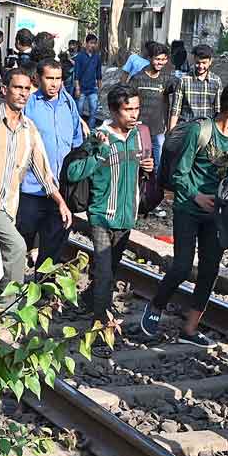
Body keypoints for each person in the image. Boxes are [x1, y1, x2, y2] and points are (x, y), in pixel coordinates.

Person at [140, 82, 228, 347]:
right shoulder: (200, 131)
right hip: (188, 208)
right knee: (182, 266)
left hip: (216, 213)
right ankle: (156, 306)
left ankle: (191, 328)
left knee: (209, 270)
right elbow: (179, 173)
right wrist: (196, 195)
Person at [0, 67, 72, 291]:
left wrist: (61, 202)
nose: (23, 93)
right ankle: (8, 309)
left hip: (9, 206)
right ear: (4, 89)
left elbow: (43, 173)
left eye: (27, 89)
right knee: (18, 247)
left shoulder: (29, 129)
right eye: (18, 88)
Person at [66, 84, 154, 324]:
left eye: (137, 108)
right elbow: (73, 173)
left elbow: (141, 170)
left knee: (110, 269)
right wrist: (98, 154)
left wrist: (147, 168)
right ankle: (100, 327)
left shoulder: (140, 135)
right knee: (105, 274)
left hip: (127, 217)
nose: (134, 114)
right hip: (102, 216)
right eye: (128, 110)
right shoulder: (99, 137)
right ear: (115, 112)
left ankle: (87, 301)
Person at [17, 57, 84, 273]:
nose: (54, 84)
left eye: (58, 79)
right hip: (31, 187)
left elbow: (76, 140)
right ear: (38, 78)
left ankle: (42, 290)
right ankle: (12, 283)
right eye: (49, 78)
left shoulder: (69, 103)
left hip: (61, 188)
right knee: (22, 237)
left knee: (54, 244)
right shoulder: (28, 104)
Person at [129, 41, 177, 169]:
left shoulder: (167, 79)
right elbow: (127, 101)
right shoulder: (137, 78)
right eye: (157, 59)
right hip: (139, 128)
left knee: (158, 164)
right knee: (140, 163)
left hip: (158, 130)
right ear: (150, 58)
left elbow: (180, 90)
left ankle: (156, 188)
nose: (160, 62)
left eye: (163, 59)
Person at [169, 44, 222, 131]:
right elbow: (175, 110)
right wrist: (171, 133)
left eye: (204, 63)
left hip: (207, 130)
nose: (201, 66)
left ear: (210, 61)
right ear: (194, 60)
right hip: (186, 128)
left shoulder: (216, 81)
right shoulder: (184, 80)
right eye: (198, 63)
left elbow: (218, 110)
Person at [74, 34, 102, 128]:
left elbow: (99, 74)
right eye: (91, 43)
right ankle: (79, 130)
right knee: (79, 111)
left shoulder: (97, 57)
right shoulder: (80, 57)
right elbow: (76, 74)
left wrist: (99, 88)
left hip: (92, 88)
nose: (93, 45)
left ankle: (90, 132)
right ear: (86, 43)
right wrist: (77, 88)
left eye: (94, 43)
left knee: (93, 111)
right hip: (81, 88)